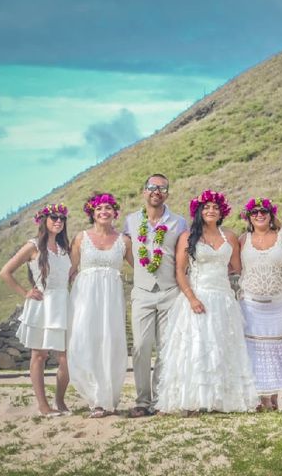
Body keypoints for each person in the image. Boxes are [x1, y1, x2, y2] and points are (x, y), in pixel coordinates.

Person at [156, 190, 258, 414]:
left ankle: (220, 400)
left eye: (215, 207)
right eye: (207, 207)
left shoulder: (229, 237)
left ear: (222, 212)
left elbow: (236, 267)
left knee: (222, 346)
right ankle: (192, 400)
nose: (211, 210)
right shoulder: (187, 237)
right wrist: (192, 298)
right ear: (199, 211)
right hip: (198, 297)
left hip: (223, 298)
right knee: (197, 347)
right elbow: (180, 271)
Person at [123, 174, 187, 417]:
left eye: (161, 188)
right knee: (140, 346)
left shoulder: (179, 222)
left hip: (170, 292)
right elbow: (128, 253)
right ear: (144, 191)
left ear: (167, 194)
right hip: (142, 293)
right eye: (151, 187)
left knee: (166, 347)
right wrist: (141, 271)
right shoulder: (130, 221)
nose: (156, 191)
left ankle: (160, 400)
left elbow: (183, 255)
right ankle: (142, 400)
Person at [0, 204, 71, 417]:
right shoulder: (33, 246)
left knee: (67, 359)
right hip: (42, 304)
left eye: (62, 218)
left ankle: (59, 400)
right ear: (44, 220)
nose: (58, 221)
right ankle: (43, 405)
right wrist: (25, 292)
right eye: (54, 217)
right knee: (39, 355)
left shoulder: (64, 247)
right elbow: (5, 272)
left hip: (63, 304)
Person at [238, 197, 282, 411]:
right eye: (255, 212)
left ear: (271, 214)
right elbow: (232, 267)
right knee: (255, 351)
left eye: (264, 211)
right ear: (249, 217)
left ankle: (274, 394)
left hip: (280, 302)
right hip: (251, 303)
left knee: (277, 348)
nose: (259, 215)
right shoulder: (242, 240)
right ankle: (262, 398)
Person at [68, 193, 133, 418]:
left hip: (112, 299)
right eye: (98, 209)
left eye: (107, 208)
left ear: (115, 213)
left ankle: (107, 399)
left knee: (111, 344)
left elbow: (141, 270)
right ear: (92, 214)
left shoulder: (124, 241)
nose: (103, 212)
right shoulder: (80, 238)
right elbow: (70, 269)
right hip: (85, 297)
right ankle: (94, 398)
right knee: (86, 341)